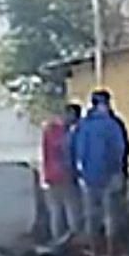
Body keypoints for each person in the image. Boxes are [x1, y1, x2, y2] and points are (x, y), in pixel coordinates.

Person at [73, 90, 129, 256]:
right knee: (111, 217)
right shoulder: (112, 124)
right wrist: (119, 171)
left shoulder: (83, 126)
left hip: (89, 178)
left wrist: (80, 172)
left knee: (92, 218)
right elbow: (120, 149)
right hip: (110, 176)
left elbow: (75, 150)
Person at [40, 104, 83, 244]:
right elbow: (66, 153)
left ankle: (57, 241)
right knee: (72, 209)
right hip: (64, 175)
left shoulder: (49, 130)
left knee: (56, 211)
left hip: (50, 175)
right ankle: (74, 241)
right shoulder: (62, 132)